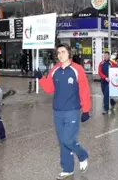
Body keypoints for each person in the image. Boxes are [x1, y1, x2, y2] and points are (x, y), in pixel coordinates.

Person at [35, 43, 90, 179]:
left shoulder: (77, 70)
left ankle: (82, 155)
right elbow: (49, 89)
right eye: (58, 52)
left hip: (72, 110)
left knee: (68, 139)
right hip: (57, 111)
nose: (60, 55)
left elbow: (84, 91)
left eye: (63, 52)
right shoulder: (54, 70)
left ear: (69, 53)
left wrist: (86, 110)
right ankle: (67, 168)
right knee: (62, 141)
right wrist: (41, 78)